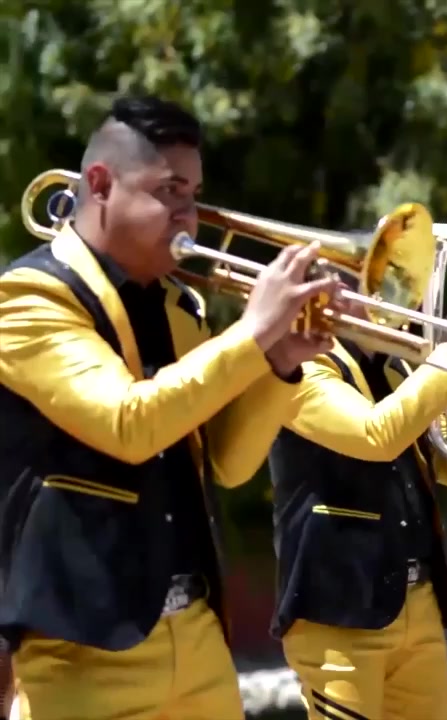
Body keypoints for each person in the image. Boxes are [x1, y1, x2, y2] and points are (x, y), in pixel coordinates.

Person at [0, 95, 337, 720]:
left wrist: (280, 362)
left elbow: (229, 465)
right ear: (100, 184)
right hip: (85, 653)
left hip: (199, 638)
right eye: (170, 192)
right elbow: (129, 424)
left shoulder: (182, 307)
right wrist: (253, 331)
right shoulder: (28, 298)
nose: (190, 217)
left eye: (195, 196)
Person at [267, 288, 447, 720]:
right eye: (388, 283)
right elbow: (375, 435)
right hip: (338, 607)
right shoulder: (305, 365)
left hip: (418, 601)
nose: (410, 300)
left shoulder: (402, 366)